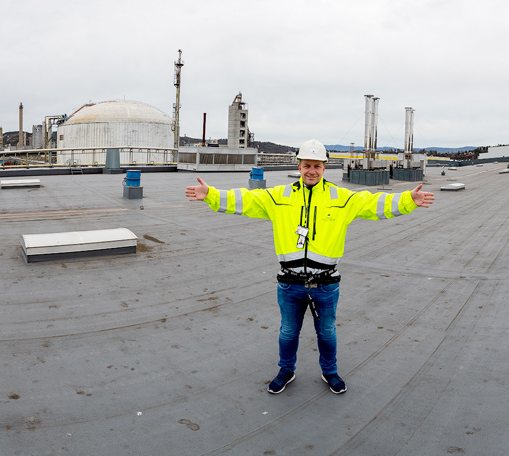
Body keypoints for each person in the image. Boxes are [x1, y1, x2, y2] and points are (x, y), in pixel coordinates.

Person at [184, 139, 434, 395]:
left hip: (325, 284)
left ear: (324, 168)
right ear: (299, 166)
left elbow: (374, 204)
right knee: (288, 332)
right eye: (306, 165)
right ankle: (286, 370)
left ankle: (330, 372)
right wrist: (211, 195)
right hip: (290, 283)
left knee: (326, 332)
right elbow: (246, 199)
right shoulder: (279, 197)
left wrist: (408, 200)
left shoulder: (342, 198)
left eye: (317, 166)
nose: (311, 170)